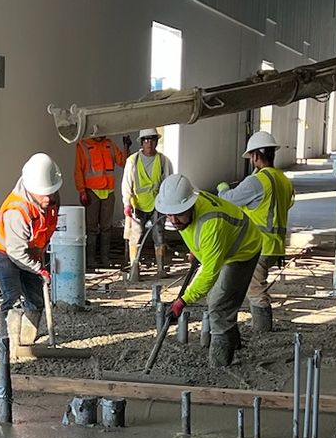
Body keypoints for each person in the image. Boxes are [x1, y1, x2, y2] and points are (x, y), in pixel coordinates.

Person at [156, 173, 263, 367]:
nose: (173, 219)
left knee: (218, 306)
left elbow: (209, 273)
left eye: (178, 213)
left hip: (243, 249)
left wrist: (182, 301)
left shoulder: (211, 224)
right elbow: (193, 233)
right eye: (169, 214)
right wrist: (197, 251)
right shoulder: (188, 212)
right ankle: (234, 344)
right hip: (225, 245)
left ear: (190, 205)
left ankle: (220, 364)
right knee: (219, 300)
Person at [0, 153, 62, 357]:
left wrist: (40, 259)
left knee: (36, 298)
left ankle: (26, 340)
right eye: (43, 193)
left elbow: (44, 233)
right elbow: (16, 253)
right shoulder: (17, 212)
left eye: (51, 192)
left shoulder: (51, 198)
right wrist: (39, 269)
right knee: (12, 295)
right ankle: (7, 344)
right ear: (30, 188)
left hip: (30, 249)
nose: (48, 197)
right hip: (3, 250)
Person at [221, 128, 295, 333]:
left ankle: (262, 329)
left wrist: (223, 189)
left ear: (255, 156)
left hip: (259, 244)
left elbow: (229, 200)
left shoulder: (258, 181)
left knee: (255, 289)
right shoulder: (283, 180)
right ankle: (260, 325)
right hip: (276, 245)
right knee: (255, 284)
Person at [123, 128, 170, 279]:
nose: (149, 143)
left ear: (156, 141)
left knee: (159, 235)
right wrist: (126, 203)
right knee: (135, 237)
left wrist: (168, 204)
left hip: (158, 203)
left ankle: (161, 268)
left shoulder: (163, 160)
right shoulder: (133, 160)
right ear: (142, 143)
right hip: (138, 205)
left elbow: (168, 183)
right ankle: (134, 269)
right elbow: (127, 183)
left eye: (152, 140)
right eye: (146, 140)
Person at [73, 131, 123, 268]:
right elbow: (78, 170)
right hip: (91, 192)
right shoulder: (83, 146)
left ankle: (105, 259)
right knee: (91, 228)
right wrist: (82, 191)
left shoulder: (110, 145)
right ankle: (90, 260)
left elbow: (122, 161)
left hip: (109, 191)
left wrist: (127, 148)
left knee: (106, 227)